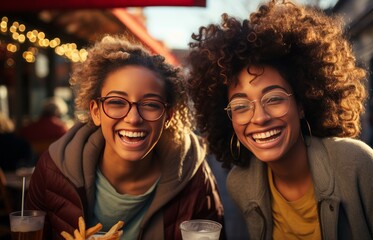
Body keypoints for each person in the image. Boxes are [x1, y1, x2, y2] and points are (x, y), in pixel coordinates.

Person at [186, 1, 373, 239]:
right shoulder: (240, 183)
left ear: (302, 104)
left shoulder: (356, 164)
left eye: (274, 99)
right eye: (240, 105)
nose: (259, 117)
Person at [26, 35, 224, 240]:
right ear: (96, 111)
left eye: (150, 104)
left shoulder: (196, 176)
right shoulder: (52, 171)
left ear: (168, 116)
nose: (133, 118)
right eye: (117, 102)